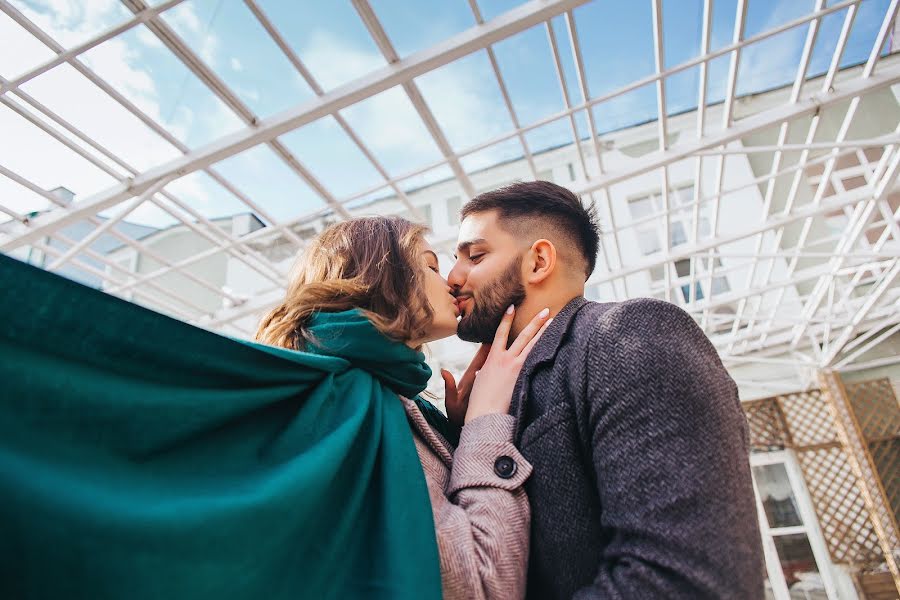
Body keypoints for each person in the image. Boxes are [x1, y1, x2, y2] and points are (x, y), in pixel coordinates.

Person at [445, 181, 765, 599]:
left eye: (476, 255)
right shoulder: (490, 394)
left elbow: (685, 582)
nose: (453, 277)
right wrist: (470, 434)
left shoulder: (627, 334)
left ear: (538, 261)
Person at [255, 216, 550, 600]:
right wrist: (485, 423)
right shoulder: (349, 402)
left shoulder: (366, 392)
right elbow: (482, 586)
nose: (451, 283)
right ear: (380, 275)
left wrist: (457, 433)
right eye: (429, 265)